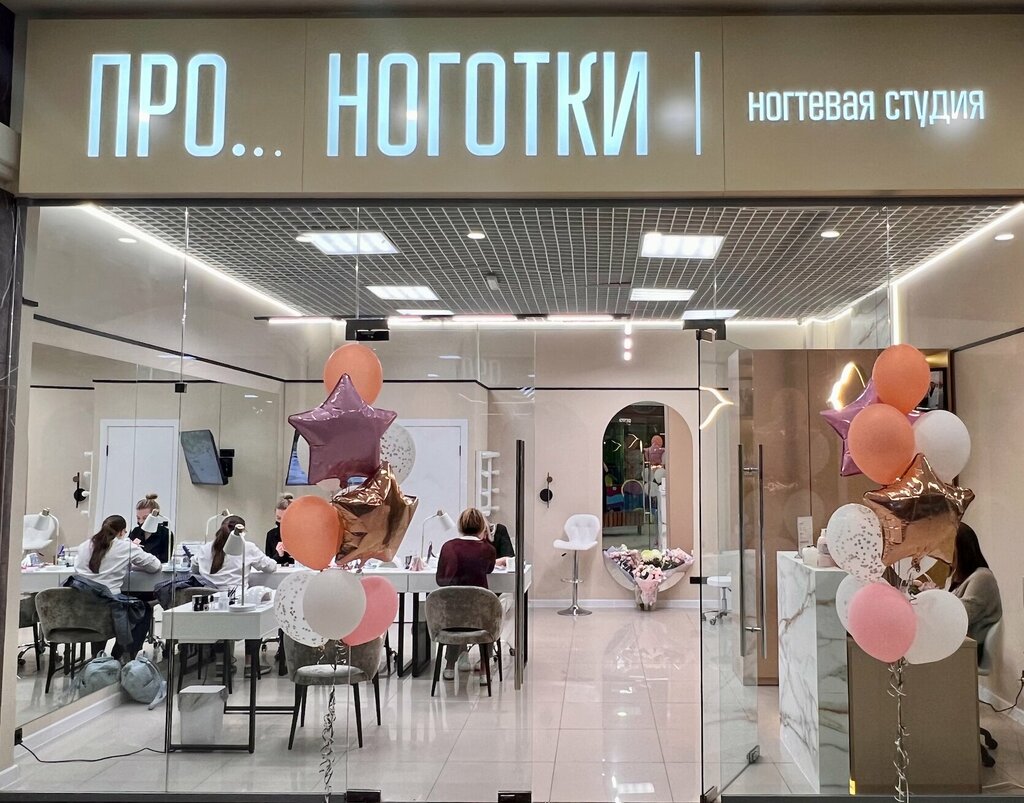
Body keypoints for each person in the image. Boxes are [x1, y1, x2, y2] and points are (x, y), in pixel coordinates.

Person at [435, 508, 496, 680]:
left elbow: (440, 579)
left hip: (453, 614)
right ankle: (484, 669)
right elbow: (489, 569)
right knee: (489, 615)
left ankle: (449, 666)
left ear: (460, 526)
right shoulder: (488, 549)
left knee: (456, 613)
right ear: (482, 527)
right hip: (479, 613)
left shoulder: (448, 547)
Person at [192, 515, 278, 601]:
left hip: (207, 599)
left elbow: (194, 567)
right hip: (235, 599)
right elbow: (271, 567)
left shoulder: (205, 548)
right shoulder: (247, 547)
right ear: (242, 532)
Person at [950, 523, 1002, 662]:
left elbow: (960, 615)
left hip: (971, 655)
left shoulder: (982, 577)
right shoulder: (961, 579)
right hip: (963, 652)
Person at [75, 515, 162, 595]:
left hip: (82, 599)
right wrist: (134, 563)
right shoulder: (126, 547)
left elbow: (77, 569)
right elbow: (155, 566)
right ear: (121, 532)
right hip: (109, 600)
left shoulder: (84, 546)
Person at [129, 493, 172, 563]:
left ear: (154, 516)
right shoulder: (135, 531)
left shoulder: (166, 534)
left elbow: (165, 559)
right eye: (138, 518)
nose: (140, 522)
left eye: (145, 518)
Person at [265, 494, 295, 566]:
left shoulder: (303, 534)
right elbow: (268, 564)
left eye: (285, 518)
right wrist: (279, 554)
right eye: (278, 518)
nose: (281, 522)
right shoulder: (271, 535)